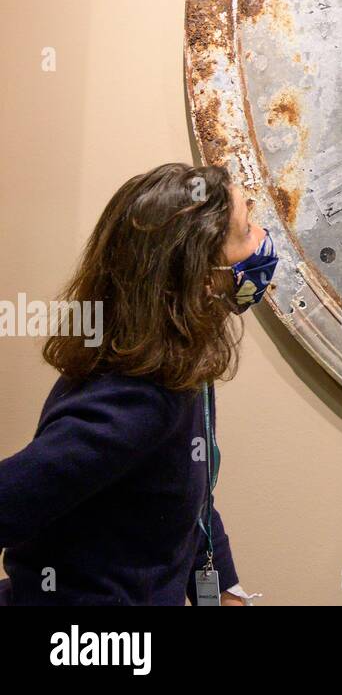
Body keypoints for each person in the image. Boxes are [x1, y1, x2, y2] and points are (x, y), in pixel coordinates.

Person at [0, 163, 275, 605]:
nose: (262, 239)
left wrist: (223, 593)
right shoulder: (134, 401)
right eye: (246, 228)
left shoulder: (182, 368)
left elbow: (193, 500)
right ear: (202, 278)